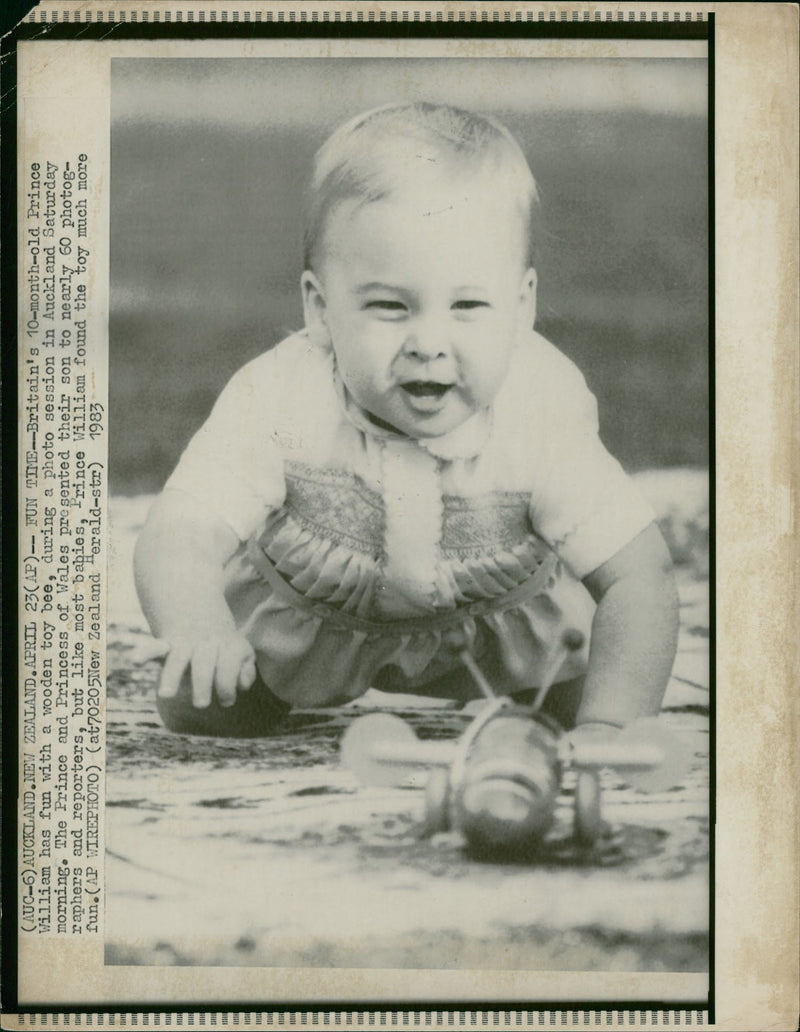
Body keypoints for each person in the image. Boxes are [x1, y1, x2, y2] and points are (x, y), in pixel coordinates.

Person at [134, 102, 678, 742]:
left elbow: (641, 574)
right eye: (391, 306)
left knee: (602, 680)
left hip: (503, 623)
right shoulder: (278, 396)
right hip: (313, 623)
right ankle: (247, 675)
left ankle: (582, 704)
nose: (430, 342)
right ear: (320, 308)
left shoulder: (542, 409)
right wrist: (199, 624)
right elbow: (178, 533)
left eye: (469, 304)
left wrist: (613, 726)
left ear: (522, 305)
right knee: (201, 699)